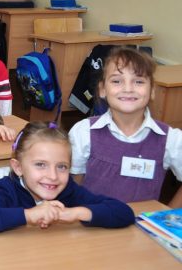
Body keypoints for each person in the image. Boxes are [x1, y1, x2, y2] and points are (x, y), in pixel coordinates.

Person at [0, 122, 135, 234]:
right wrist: (29, 215)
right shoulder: (4, 190)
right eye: (40, 164)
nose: (53, 176)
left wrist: (75, 213)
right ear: (18, 167)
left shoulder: (68, 190)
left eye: (62, 167)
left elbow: (124, 213)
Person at [69, 47, 182, 207]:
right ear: (102, 90)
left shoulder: (171, 139)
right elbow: (73, 186)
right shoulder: (83, 132)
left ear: (152, 91)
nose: (128, 89)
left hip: (140, 222)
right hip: (93, 220)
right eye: (117, 81)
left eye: (138, 81)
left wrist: (167, 215)